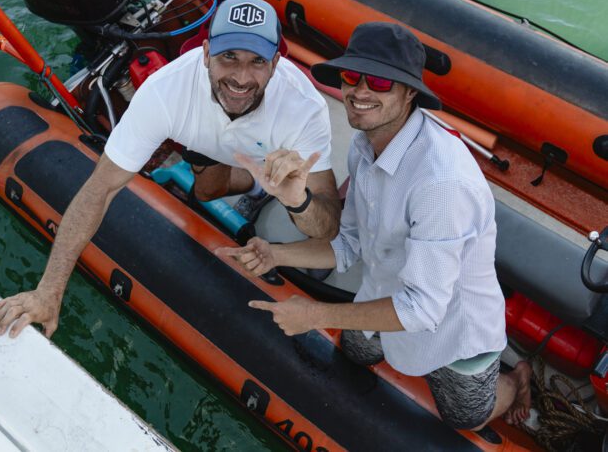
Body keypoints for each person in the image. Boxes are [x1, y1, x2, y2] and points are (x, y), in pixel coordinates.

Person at [218, 22, 532, 431]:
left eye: (380, 81)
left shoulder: (441, 184)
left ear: (409, 92)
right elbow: (349, 243)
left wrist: (314, 314)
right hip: (386, 291)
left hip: (452, 325)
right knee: (356, 352)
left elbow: (422, 308)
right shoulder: (367, 147)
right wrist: (275, 253)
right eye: (353, 77)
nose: (361, 92)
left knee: (467, 415)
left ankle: (518, 379)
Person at [0, 0, 340, 339]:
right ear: (205, 54)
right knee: (205, 191)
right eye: (228, 57)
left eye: (257, 62)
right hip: (211, 146)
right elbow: (100, 188)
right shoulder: (165, 93)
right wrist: (48, 291)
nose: (240, 76)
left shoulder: (303, 107)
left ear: (276, 63)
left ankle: (271, 186)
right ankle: (255, 186)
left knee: (298, 210)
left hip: (272, 152)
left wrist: (298, 201)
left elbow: (327, 227)